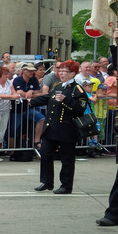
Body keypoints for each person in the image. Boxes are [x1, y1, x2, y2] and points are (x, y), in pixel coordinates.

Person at [30, 60, 88, 194]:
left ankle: (66, 185)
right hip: (52, 127)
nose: (61, 73)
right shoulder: (57, 86)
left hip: (67, 129)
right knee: (45, 154)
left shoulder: (77, 89)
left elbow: (81, 108)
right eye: (60, 70)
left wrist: (66, 100)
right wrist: (30, 102)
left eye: (64, 71)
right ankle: (47, 181)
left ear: (73, 73)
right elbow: (47, 98)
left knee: (66, 158)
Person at [9, 63, 45, 151]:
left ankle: (36, 141)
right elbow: (19, 93)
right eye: (29, 70)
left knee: (41, 119)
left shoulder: (34, 79)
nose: (32, 72)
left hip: (29, 108)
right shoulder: (17, 80)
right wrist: (27, 94)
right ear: (24, 71)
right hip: (17, 109)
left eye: (32, 70)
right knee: (14, 130)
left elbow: (36, 93)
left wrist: (31, 92)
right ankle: (11, 151)